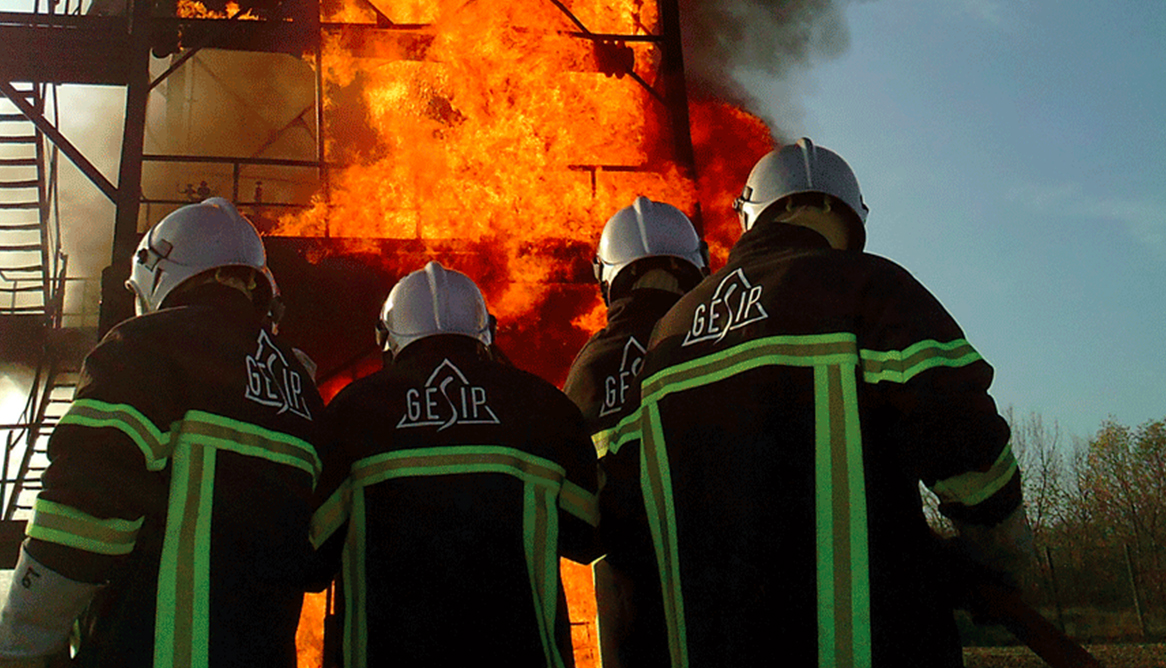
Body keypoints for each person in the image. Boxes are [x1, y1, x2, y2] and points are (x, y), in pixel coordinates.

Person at [598, 139, 1034, 668]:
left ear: (751, 217)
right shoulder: (870, 286)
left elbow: (624, 514)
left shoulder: (668, 336)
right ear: (850, 217)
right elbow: (964, 443)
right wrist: (998, 559)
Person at [0, 197, 326, 668]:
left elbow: (85, 510)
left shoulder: (146, 344)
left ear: (158, 272)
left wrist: (24, 641)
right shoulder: (301, 389)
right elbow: (314, 559)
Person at [310, 261, 601, 667]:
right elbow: (589, 536)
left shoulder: (353, 413)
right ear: (486, 334)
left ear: (387, 339)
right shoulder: (543, 407)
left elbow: (310, 560)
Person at [562, 196, 707, 667]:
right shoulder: (723, 334)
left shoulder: (589, 370)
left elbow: (578, 528)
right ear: (695, 264)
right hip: (731, 603)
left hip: (632, 624)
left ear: (609, 275)